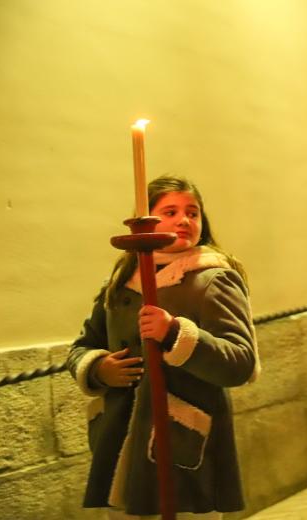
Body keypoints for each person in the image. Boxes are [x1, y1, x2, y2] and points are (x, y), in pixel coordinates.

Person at [67, 176, 259, 519]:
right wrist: (98, 368)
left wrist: (175, 334)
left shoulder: (214, 279)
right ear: (146, 221)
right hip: (121, 438)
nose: (184, 220)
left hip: (180, 439)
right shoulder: (119, 282)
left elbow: (240, 361)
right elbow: (83, 346)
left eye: (192, 212)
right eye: (169, 211)